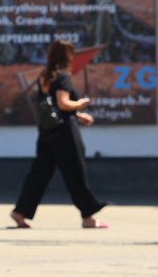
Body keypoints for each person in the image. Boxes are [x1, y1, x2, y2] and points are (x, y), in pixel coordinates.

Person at [11, 40, 108, 229]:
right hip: (64, 132)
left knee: (39, 173)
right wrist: (81, 103)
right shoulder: (63, 76)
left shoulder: (44, 76)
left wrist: (78, 115)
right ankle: (88, 216)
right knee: (75, 172)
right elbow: (63, 103)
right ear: (68, 57)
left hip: (47, 130)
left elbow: (52, 106)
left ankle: (20, 212)